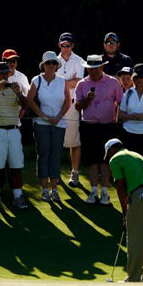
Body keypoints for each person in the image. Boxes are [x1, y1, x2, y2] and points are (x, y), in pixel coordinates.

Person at [105, 138, 143, 282]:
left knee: (135, 237)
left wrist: (125, 213)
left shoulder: (115, 159)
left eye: (108, 154)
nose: (109, 158)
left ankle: (134, 277)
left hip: (141, 195)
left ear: (112, 150)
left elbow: (120, 187)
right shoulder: (137, 155)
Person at [75, 54, 123, 205]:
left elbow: (121, 102)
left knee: (105, 161)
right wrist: (88, 99)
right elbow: (77, 106)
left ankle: (105, 193)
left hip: (107, 126)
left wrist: (117, 120)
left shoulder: (113, 82)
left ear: (102, 67)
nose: (93, 71)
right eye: (90, 69)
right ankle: (93, 191)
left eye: (96, 68)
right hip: (88, 126)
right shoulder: (82, 84)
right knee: (91, 160)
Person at [0, 62, 29, 211]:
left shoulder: (15, 87)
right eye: (2, 73)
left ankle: (17, 196)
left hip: (13, 129)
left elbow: (25, 104)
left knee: (16, 166)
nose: (5, 76)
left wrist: (19, 93)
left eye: (6, 73)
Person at [28, 51, 70, 202]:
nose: (51, 66)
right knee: (43, 153)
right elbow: (30, 100)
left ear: (57, 65)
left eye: (54, 63)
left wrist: (58, 117)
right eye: (48, 63)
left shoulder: (62, 81)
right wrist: (43, 116)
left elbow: (67, 102)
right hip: (41, 124)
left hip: (59, 123)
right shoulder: (37, 80)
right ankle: (44, 190)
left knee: (55, 155)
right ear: (43, 65)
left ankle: (54, 189)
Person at [56, 32, 85, 187]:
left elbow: (79, 82)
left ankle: (74, 173)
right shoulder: (53, 61)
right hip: (55, 105)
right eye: (63, 45)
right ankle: (56, 173)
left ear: (72, 46)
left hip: (72, 104)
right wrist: (68, 82)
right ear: (59, 45)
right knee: (56, 140)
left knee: (74, 141)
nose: (65, 48)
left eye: (68, 45)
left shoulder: (80, 61)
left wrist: (58, 83)